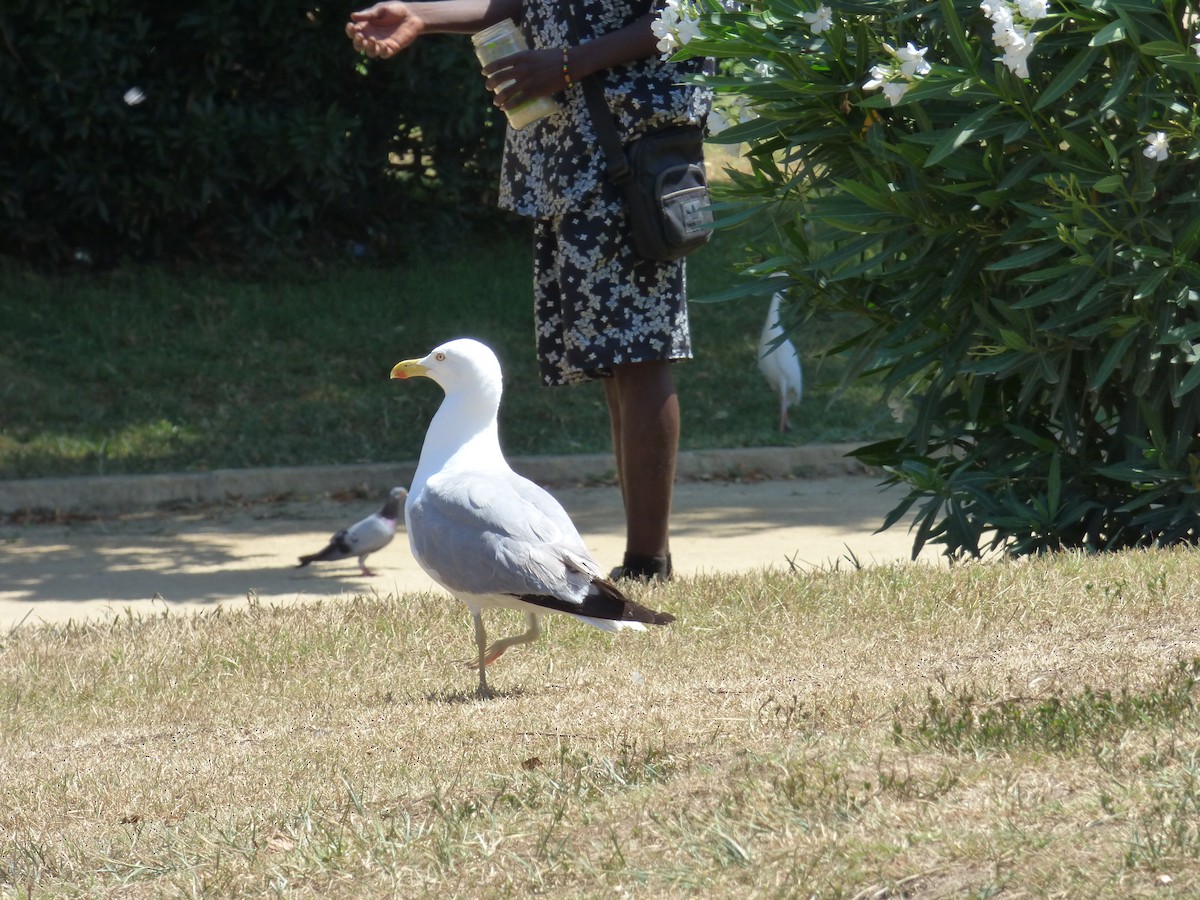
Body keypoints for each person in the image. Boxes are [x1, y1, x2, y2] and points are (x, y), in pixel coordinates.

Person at [347, 0, 710, 582]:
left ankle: (647, 562)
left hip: (628, 147)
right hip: (574, 150)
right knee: (617, 359)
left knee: (640, 353)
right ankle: (647, 559)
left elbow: (688, 13)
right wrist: (422, 15)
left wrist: (570, 63)